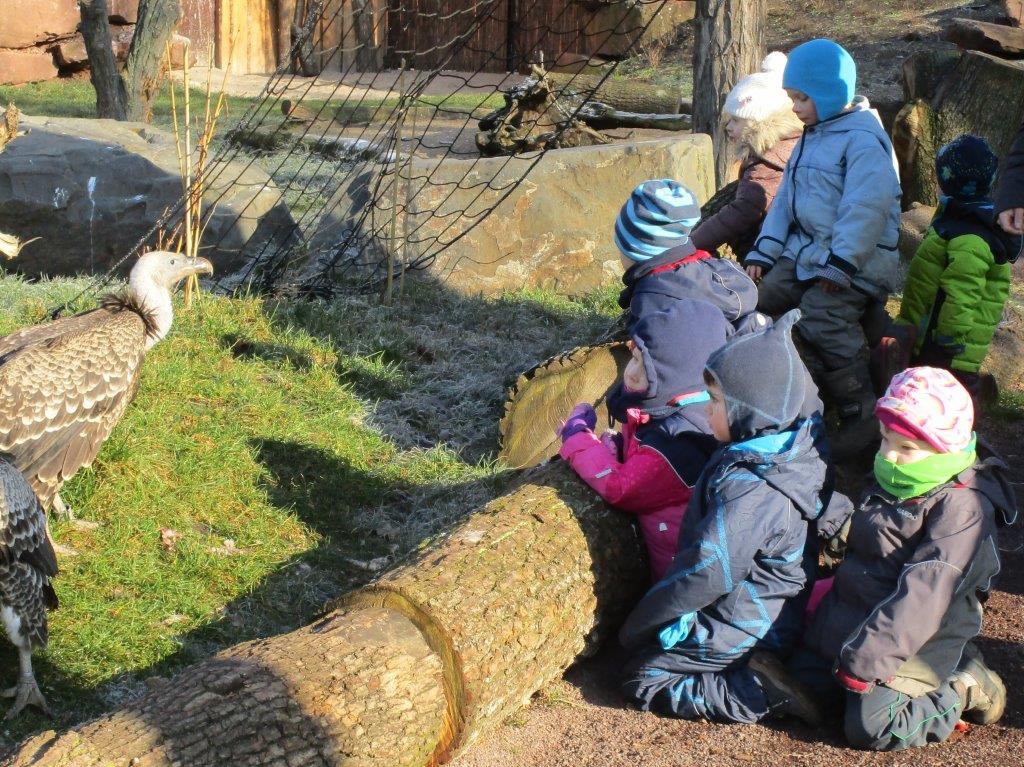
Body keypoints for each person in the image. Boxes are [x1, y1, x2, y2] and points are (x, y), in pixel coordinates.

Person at [618, 310, 828, 726]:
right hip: (769, 607)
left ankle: (755, 692)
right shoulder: (785, 450)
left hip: (747, 618)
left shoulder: (750, 490)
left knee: (642, 677)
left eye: (714, 401)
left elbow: (708, 571)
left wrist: (642, 623)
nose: (706, 409)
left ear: (749, 410)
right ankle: (756, 665)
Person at [793, 367, 1016, 751]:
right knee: (807, 685)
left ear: (945, 447)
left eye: (906, 448)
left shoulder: (963, 509)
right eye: (884, 440)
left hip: (924, 636)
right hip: (859, 611)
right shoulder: (901, 474)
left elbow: (925, 595)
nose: (889, 456)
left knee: (873, 725)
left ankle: (963, 682)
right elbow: (872, 526)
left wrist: (866, 662)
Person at [745, 39, 902, 459]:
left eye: (802, 98)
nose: (794, 107)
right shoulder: (813, 134)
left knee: (820, 317)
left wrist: (842, 263)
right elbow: (785, 203)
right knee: (756, 298)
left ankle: (860, 409)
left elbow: (865, 209)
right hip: (808, 253)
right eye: (792, 97)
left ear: (831, 93)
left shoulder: (864, 140)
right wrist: (764, 252)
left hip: (856, 260)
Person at [558, 301, 729, 581]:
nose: (631, 371)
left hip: (678, 570)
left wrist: (577, 437)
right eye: (634, 358)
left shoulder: (677, 440)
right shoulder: (680, 403)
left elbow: (621, 487)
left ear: (677, 372)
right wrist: (623, 449)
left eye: (646, 366)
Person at [897, 135, 1021, 396]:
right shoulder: (957, 216)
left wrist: (948, 339)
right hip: (930, 337)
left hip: (946, 349)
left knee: (940, 401)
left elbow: (963, 293)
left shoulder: (970, 235)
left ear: (948, 181)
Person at [690, 52, 804, 263]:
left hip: (777, 253)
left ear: (758, 121)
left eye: (735, 120)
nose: (728, 127)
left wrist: (694, 242)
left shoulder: (768, 160)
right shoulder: (787, 143)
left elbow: (746, 209)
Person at [614, 179, 761, 334]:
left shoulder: (650, 300)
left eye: (620, 246)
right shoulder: (711, 265)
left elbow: (653, 348)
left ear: (637, 251)